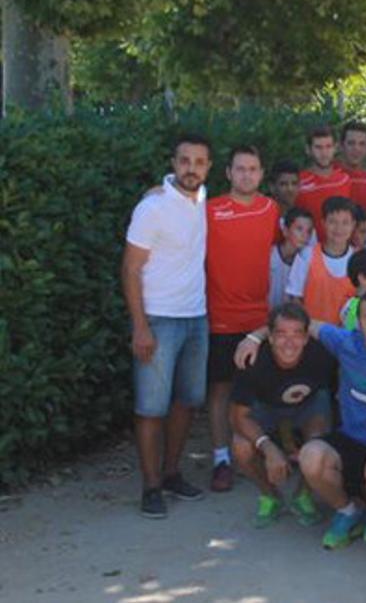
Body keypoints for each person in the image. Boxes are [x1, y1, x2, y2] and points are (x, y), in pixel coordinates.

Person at [235, 289, 366, 549]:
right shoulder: (345, 342)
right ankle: (347, 510)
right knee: (311, 456)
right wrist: (255, 336)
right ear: (358, 320)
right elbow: (297, 322)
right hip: (351, 439)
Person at [123, 134, 212, 519]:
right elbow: (130, 268)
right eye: (185, 160)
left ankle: (173, 472)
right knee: (150, 407)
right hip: (159, 318)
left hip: (196, 317)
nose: (191, 168)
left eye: (199, 161)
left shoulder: (204, 199)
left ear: (208, 167)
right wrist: (140, 326)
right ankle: (151, 486)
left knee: (188, 402)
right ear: (174, 163)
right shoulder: (152, 208)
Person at [204, 145, 280, 493]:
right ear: (228, 173)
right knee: (220, 390)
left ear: (262, 174)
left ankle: (259, 452)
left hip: (259, 319)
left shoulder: (271, 208)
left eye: (253, 168)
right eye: (240, 168)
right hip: (219, 316)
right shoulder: (209, 210)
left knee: (259, 390)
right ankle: (221, 459)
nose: (246, 174)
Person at [229, 302, 335, 528]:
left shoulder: (322, 353)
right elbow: (237, 416)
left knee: (319, 438)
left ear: (307, 338)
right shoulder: (251, 357)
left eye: (297, 334)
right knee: (241, 445)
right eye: (281, 334)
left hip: (308, 405)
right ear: (270, 337)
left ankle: (302, 495)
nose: (289, 342)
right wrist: (268, 448)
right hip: (265, 407)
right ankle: (270, 495)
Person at [286, 196, 357, 325]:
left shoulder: (358, 259)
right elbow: (295, 297)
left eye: (345, 222)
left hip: (344, 336)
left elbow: (359, 299)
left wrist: (348, 330)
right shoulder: (306, 255)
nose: (338, 228)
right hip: (312, 334)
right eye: (332, 222)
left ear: (353, 225)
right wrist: (306, 326)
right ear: (323, 223)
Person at [296, 126, 351, 242]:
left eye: (328, 146)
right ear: (308, 149)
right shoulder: (299, 182)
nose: (324, 153)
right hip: (308, 250)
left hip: (340, 249)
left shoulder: (344, 180)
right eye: (318, 147)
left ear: (335, 148)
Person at [337, 122, 366, 217]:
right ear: (341, 146)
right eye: (351, 143)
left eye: (362, 144)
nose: (356, 148)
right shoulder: (330, 176)